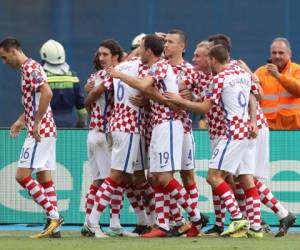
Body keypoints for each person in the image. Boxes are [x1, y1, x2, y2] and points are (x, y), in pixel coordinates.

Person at [108, 34, 204, 238]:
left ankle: (195, 217)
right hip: (159, 125)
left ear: (149, 51)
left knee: (165, 176)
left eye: (141, 48)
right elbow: (150, 91)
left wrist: (119, 74)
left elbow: (143, 86)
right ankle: (163, 225)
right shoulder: (157, 66)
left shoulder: (160, 65)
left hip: (168, 124)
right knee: (156, 178)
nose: (139, 52)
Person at [165, 45, 263, 238]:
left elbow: (204, 108)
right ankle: (256, 227)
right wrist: (253, 120)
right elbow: (255, 94)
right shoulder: (240, 72)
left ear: (213, 60)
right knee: (242, 178)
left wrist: (180, 100)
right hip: (244, 130)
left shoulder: (218, 79)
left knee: (213, 177)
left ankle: (237, 220)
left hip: (231, 132)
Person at [0, 37, 63, 238]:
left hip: (40, 131)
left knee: (22, 176)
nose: (4, 62)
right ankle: (56, 228)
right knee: (44, 177)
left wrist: (35, 123)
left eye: (4, 57)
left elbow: (47, 93)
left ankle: (54, 216)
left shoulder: (30, 68)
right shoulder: (28, 68)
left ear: (14, 52)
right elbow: (34, 101)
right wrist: (21, 120)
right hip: (46, 128)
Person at [40, 39, 87, 128]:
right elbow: (82, 110)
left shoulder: (41, 79)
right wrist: (81, 125)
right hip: (68, 126)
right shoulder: (73, 78)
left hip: (45, 128)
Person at [255, 37, 300, 129]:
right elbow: (252, 94)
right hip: (268, 127)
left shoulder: (297, 70)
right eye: (274, 53)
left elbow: (298, 91)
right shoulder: (261, 72)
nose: (277, 56)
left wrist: (278, 76)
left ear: (289, 54)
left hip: (294, 128)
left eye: (281, 53)